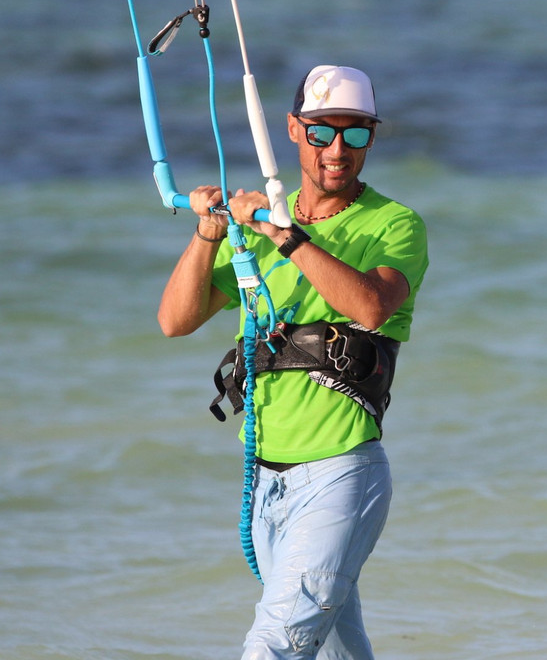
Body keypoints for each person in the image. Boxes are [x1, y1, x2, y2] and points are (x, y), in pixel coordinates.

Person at [158, 64, 429, 660]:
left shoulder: (394, 224)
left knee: (275, 647)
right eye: (322, 131)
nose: (338, 149)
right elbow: (175, 321)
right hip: (267, 485)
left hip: (340, 473)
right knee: (336, 652)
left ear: (372, 138)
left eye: (356, 133)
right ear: (292, 130)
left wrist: (283, 234)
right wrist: (207, 234)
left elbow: (371, 305)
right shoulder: (251, 234)